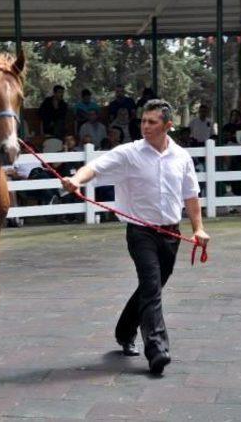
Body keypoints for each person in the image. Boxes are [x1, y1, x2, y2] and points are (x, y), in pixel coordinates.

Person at [61, 99, 210, 375]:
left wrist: (198, 228)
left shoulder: (182, 157)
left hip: (171, 233)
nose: (145, 126)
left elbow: (190, 195)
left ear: (168, 125)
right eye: (143, 121)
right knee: (151, 287)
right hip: (140, 232)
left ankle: (124, 331)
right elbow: (96, 166)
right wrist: (76, 180)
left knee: (151, 287)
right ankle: (157, 350)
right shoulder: (129, 153)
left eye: (152, 122)